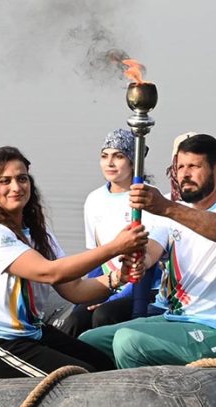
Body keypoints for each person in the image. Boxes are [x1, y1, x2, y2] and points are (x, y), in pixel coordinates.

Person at [0, 146, 148, 378]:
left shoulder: (37, 233)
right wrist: (115, 247)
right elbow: (49, 273)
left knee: (102, 364)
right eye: (5, 181)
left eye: (22, 179)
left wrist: (118, 278)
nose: (16, 187)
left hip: (30, 333)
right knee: (81, 378)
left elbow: (74, 289)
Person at [79, 134, 216, 368]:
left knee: (128, 342)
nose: (184, 174)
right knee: (89, 341)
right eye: (180, 167)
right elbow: (150, 254)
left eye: (194, 167)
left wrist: (167, 207)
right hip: (177, 320)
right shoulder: (172, 215)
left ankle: (142, 402)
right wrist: (136, 261)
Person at [58, 128, 161, 337]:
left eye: (119, 156)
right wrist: (89, 292)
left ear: (133, 162)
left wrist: (111, 298)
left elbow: (147, 264)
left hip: (144, 289)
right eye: (105, 156)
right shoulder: (94, 200)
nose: (110, 163)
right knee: (75, 321)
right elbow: (96, 259)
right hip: (110, 283)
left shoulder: (148, 199)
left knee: (103, 315)